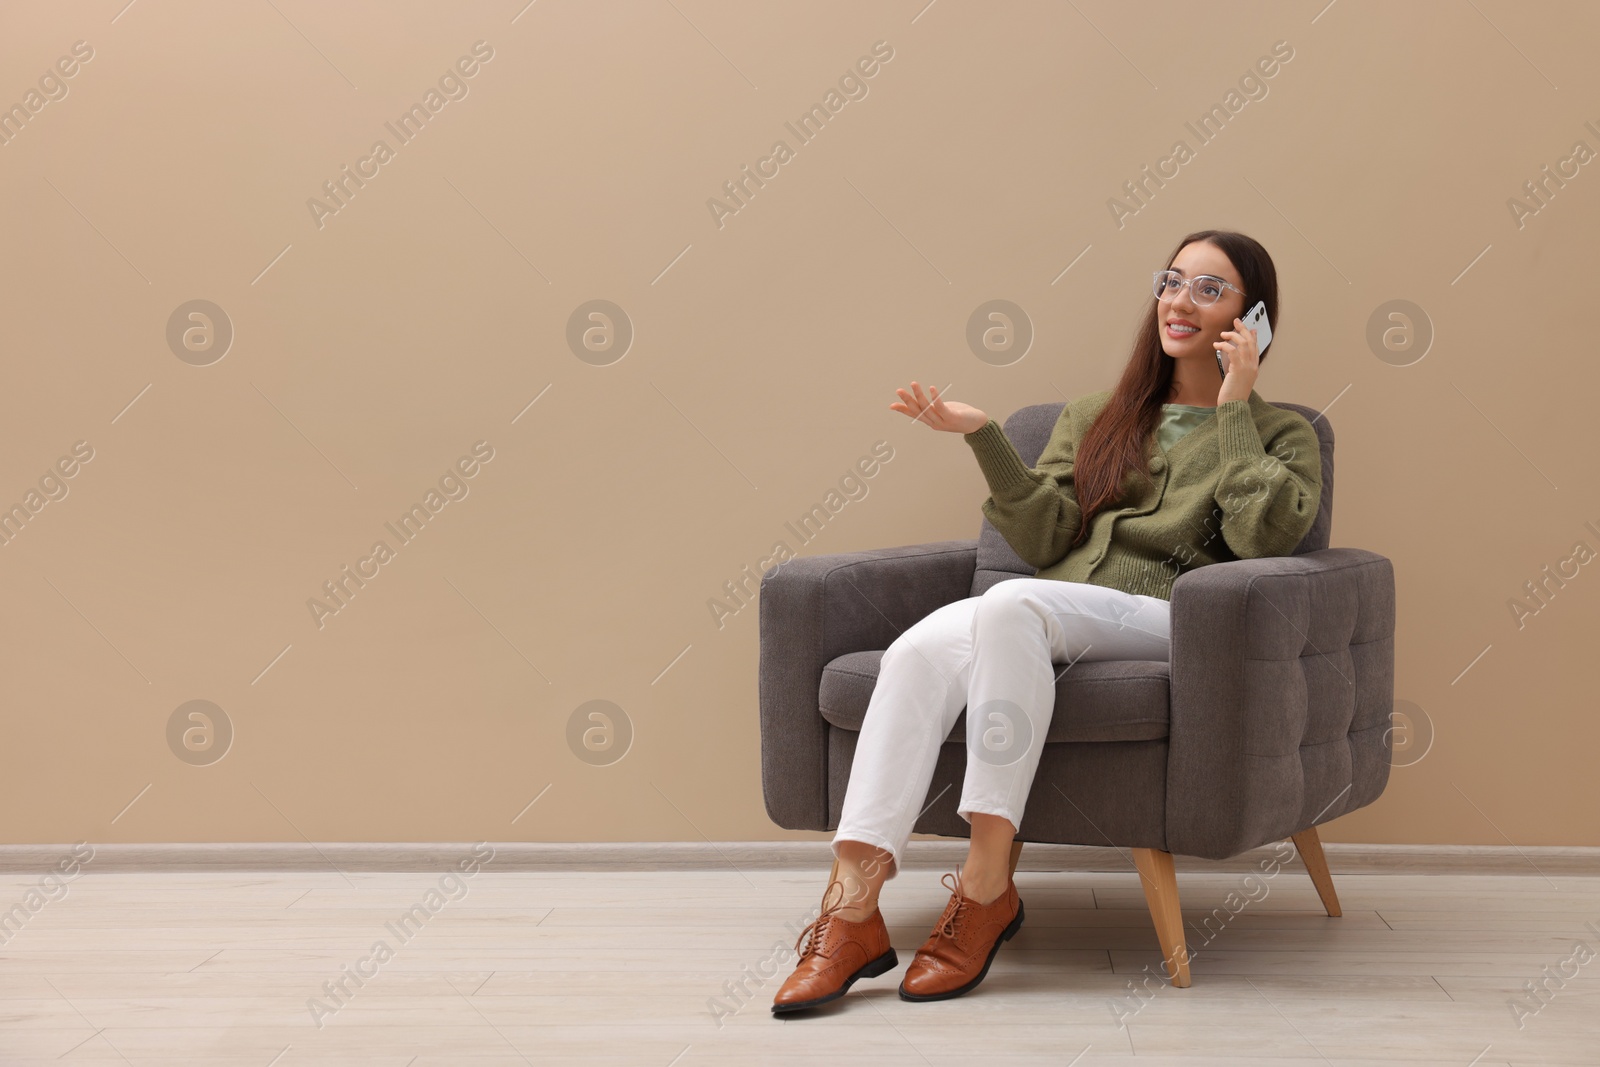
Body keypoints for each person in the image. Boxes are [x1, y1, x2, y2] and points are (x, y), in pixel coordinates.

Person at [771, 229, 1324, 1014]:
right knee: (916, 651)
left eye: (1211, 288)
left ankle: (986, 884)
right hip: (1057, 613)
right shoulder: (1099, 415)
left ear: (1254, 318)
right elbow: (1043, 538)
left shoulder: (1281, 434)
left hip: (1177, 621)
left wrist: (1234, 408)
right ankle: (851, 910)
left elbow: (1262, 539)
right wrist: (984, 436)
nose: (1181, 301)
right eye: (1173, 282)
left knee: (1012, 602)